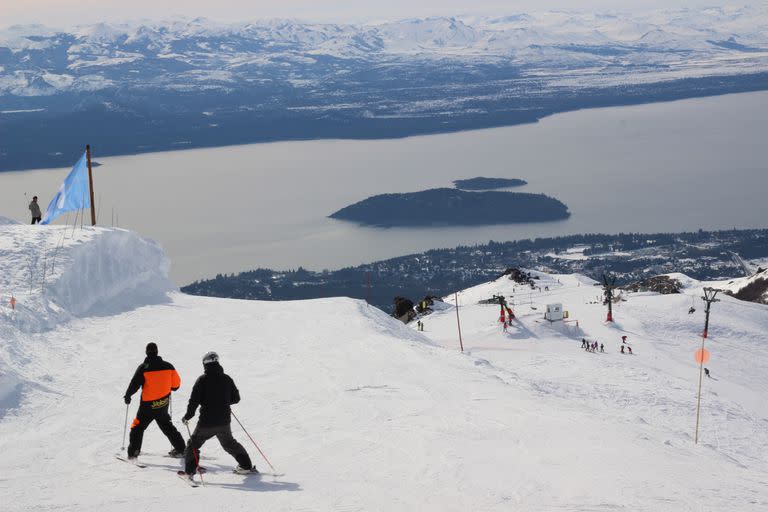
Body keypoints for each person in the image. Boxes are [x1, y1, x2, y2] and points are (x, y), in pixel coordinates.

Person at [181, 352, 255, 477]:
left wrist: (188, 416)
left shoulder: (202, 380)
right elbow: (236, 398)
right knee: (229, 444)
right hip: (224, 421)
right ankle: (246, 466)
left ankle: (189, 472)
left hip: (207, 422)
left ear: (205, 364)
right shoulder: (227, 378)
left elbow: (194, 401)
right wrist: (224, 403)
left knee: (193, 445)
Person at [124, 342, 186, 459]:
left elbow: (134, 384)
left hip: (147, 406)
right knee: (167, 426)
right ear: (157, 352)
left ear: (147, 353)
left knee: (137, 427)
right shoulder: (168, 366)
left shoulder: (144, 367)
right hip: (162, 404)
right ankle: (181, 449)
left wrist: (128, 396)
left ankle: (133, 453)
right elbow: (176, 385)